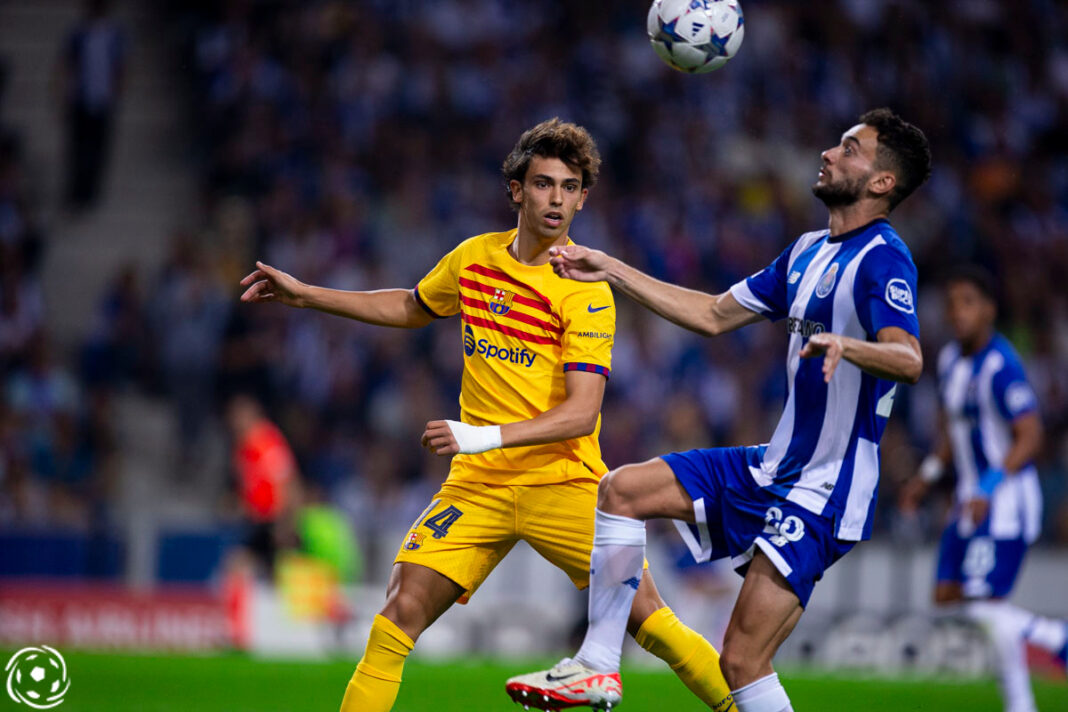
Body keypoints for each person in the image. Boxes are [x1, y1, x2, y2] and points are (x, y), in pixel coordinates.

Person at [240, 119, 734, 712]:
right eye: (544, 183)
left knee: (650, 622)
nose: (557, 199)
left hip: (563, 482)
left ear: (583, 196)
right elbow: (411, 305)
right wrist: (305, 294)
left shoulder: (584, 289)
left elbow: (582, 415)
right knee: (395, 618)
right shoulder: (475, 258)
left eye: (570, 187)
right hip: (478, 486)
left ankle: (743, 708)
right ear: (516, 190)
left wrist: (478, 436)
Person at [506, 108, 931, 712]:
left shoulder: (884, 259)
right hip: (773, 464)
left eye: (849, 149)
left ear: (883, 182)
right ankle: (597, 666)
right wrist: (612, 269)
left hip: (825, 487)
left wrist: (848, 345)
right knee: (621, 491)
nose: (830, 154)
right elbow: (711, 315)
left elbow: (909, 358)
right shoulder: (809, 250)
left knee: (740, 660)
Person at [900, 267, 1067, 712]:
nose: (956, 312)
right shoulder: (951, 361)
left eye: (967, 302)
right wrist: (926, 478)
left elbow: (1030, 436)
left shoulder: (1002, 365)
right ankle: (1029, 686)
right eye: (952, 302)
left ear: (989, 309)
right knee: (948, 597)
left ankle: (1051, 650)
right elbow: (950, 435)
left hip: (1004, 501)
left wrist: (990, 485)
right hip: (968, 502)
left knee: (984, 605)